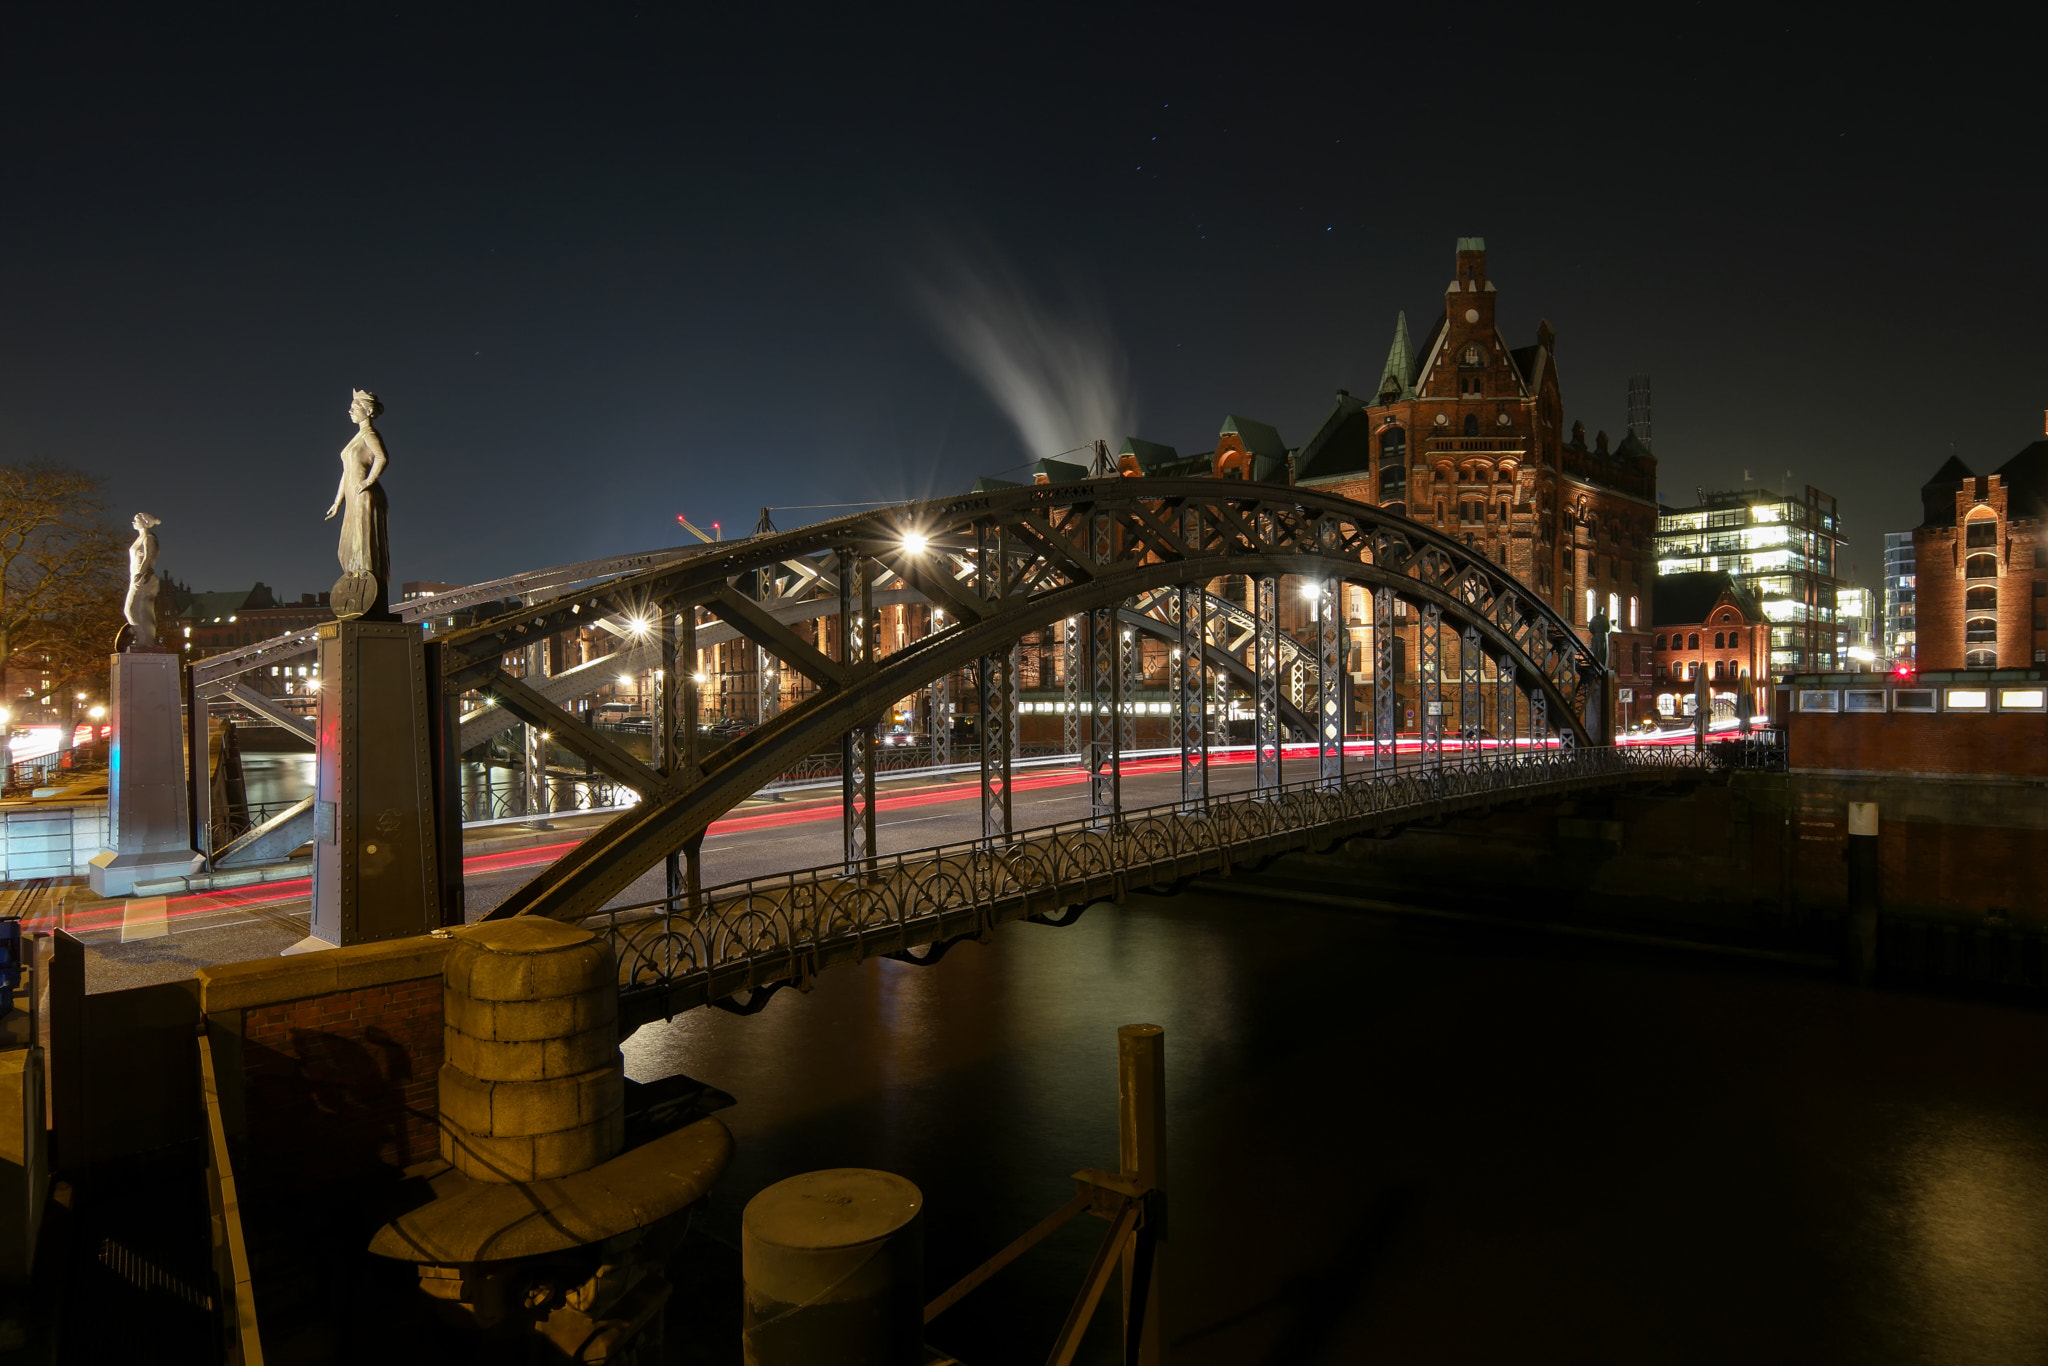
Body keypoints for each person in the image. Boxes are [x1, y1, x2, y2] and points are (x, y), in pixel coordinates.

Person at [325, 388, 391, 615]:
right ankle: (357, 594)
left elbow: (382, 458)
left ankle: (368, 597)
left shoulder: (369, 434)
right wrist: (338, 501)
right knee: (346, 550)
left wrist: (368, 482)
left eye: (355, 407)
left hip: (365, 498)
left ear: (368, 411)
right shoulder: (356, 438)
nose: (350, 410)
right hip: (353, 499)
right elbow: (346, 472)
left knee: (364, 548)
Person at [122, 512, 162, 649]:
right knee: (133, 609)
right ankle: (142, 639)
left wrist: (141, 573)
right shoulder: (141, 537)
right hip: (137, 577)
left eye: (136, 520)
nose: (133, 522)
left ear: (145, 522)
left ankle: (146, 642)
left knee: (135, 609)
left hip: (143, 578)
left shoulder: (150, 538)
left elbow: (149, 557)